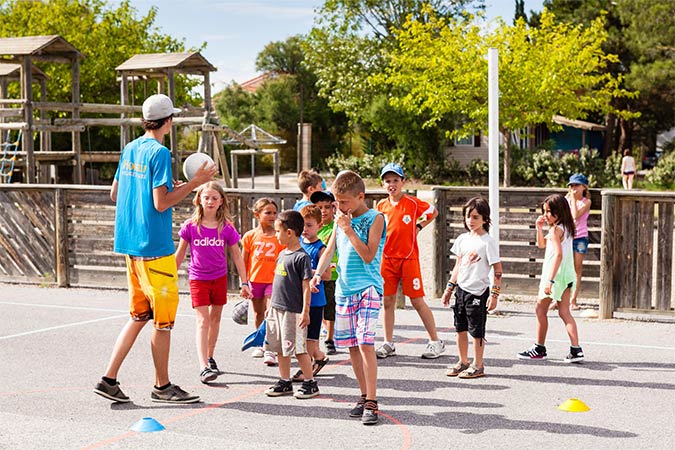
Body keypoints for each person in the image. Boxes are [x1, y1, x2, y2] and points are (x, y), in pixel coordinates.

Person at [94, 94, 217, 404]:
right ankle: (162, 387)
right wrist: (196, 183)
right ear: (169, 121)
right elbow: (161, 202)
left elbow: (115, 193)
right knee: (163, 322)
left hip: (130, 246)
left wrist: (170, 186)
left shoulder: (131, 148)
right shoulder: (160, 152)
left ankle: (108, 379)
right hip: (154, 248)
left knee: (138, 316)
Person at [312, 170, 386, 425]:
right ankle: (363, 394)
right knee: (352, 345)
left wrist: (349, 229)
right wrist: (317, 274)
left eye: (343, 202)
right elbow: (330, 250)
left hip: (368, 287)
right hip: (344, 289)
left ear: (360, 196)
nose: (339, 207)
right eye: (336, 202)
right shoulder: (340, 221)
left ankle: (373, 401)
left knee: (366, 343)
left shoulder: (375, 218)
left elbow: (368, 255)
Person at [175, 181, 252, 384]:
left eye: (214, 198)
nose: (210, 201)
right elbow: (180, 253)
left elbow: (237, 256)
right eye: (206, 197)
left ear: (221, 201)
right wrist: (168, 277)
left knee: (215, 319)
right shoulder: (190, 226)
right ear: (199, 199)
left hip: (219, 277)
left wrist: (245, 283)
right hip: (198, 278)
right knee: (203, 321)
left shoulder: (226, 227)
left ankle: (209, 356)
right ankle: (203, 366)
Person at [375, 163, 444, 359]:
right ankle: (388, 343)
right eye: (388, 181)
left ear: (403, 182)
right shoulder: (381, 206)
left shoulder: (413, 203)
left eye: (396, 180)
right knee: (387, 301)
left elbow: (433, 212)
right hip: (387, 259)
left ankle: (435, 341)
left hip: (408, 258)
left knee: (417, 301)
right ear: (383, 184)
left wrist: (420, 226)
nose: (392, 184)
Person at [518, 194, 585, 363]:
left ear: (559, 212)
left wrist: (550, 280)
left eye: (549, 212)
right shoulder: (566, 227)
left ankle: (539, 348)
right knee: (564, 313)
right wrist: (539, 228)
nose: (546, 215)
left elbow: (558, 255)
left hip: (555, 276)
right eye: (544, 211)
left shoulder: (556, 230)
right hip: (567, 275)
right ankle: (576, 349)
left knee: (540, 310)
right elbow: (542, 244)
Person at [441, 197, 502, 378]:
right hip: (461, 290)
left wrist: (495, 294)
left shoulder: (487, 242)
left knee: (477, 331)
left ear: (485, 219)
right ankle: (463, 361)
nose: (471, 221)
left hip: (478, 292)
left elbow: (497, 269)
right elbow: (458, 266)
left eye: (476, 217)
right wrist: (449, 289)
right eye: (468, 216)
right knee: (460, 328)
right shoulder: (462, 239)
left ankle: (478, 364)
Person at [264, 210, 320, 399]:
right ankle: (285, 381)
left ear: (289, 233)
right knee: (281, 348)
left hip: (293, 312)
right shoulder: (282, 254)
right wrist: (270, 304)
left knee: (298, 349)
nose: (276, 235)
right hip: (277, 309)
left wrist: (305, 311)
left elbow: (306, 286)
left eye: (278, 231)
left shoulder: (301, 257)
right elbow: (277, 282)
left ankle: (310, 382)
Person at [241, 198, 285, 365]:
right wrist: (243, 283)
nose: (272, 216)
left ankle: (271, 348)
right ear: (257, 214)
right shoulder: (250, 236)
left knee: (270, 314)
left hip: (274, 281)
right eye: (268, 213)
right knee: (258, 313)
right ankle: (259, 341)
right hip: (255, 281)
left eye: (274, 213)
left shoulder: (279, 237)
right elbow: (244, 261)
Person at [292, 204, 331, 382]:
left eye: (309, 225)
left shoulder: (320, 248)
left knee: (310, 340)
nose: (305, 229)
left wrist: (312, 271)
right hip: (299, 300)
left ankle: (305, 372)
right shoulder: (297, 244)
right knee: (304, 338)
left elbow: (328, 274)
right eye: (303, 225)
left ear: (319, 226)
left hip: (315, 301)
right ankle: (320, 358)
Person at [311, 189, 338, 355]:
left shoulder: (336, 226)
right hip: (315, 275)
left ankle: (330, 338)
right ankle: (317, 338)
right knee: (317, 308)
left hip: (333, 274)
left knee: (330, 309)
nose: (323, 210)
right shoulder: (313, 227)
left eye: (327, 206)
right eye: (319, 207)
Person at [566, 174, 592, 310]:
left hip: (580, 238)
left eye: (576, 185)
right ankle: (559, 299)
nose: (574, 188)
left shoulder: (585, 202)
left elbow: (576, 215)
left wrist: (574, 200)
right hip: (568, 237)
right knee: (563, 268)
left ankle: (573, 300)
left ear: (584, 187)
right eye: (571, 186)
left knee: (577, 268)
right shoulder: (566, 200)